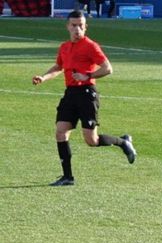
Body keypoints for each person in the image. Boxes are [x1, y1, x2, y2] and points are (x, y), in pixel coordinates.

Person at [31, 10, 136, 187]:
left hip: (87, 94)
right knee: (60, 132)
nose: (77, 29)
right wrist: (43, 77)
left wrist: (88, 75)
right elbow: (58, 67)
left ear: (85, 27)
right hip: (70, 94)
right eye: (74, 25)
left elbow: (108, 68)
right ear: (67, 26)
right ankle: (67, 177)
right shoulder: (64, 47)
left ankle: (123, 142)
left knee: (91, 141)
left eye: (81, 25)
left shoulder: (91, 46)